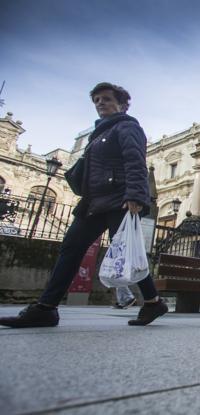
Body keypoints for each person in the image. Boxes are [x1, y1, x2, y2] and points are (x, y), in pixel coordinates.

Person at [0, 82, 168, 328]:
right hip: (93, 202)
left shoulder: (127, 126)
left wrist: (135, 196)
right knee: (70, 249)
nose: (101, 103)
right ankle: (46, 308)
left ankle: (153, 302)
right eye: (97, 100)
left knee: (127, 252)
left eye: (106, 99)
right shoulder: (100, 133)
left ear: (121, 104)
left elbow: (135, 161)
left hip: (119, 200)